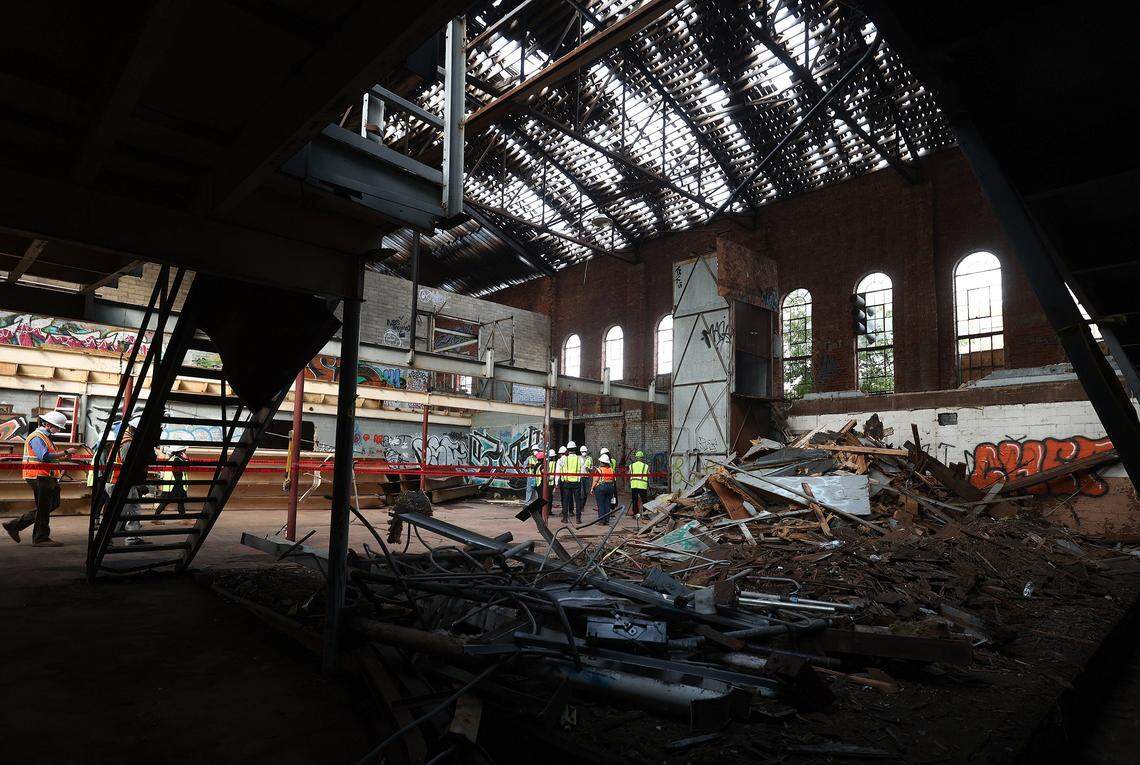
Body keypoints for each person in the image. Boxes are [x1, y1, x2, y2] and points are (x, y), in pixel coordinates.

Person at [3, 411, 75, 546]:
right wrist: (65, 452)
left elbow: (48, 456)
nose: (58, 430)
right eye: (57, 427)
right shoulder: (37, 437)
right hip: (38, 476)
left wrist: (62, 457)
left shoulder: (45, 437)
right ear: (48, 425)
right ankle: (40, 538)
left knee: (52, 504)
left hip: (46, 476)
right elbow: (43, 456)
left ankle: (15, 525)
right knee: (44, 507)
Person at [155, 445, 189, 517]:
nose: (185, 451)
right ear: (181, 451)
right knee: (166, 502)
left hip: (174, 484)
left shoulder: (175, 458)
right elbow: (178, 473)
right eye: (184, 450)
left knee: (180, 502)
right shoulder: (177, 460)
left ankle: (184, 518)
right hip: (175, 485)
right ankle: (155, 517)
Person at [557, 441, 582, 524]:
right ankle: (578, 519)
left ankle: (565, 518)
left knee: (566, 501)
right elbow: (581, 471)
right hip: (576, 483)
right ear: (575, 449)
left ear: (567, 449)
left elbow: (559, 469)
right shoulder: (579, 458)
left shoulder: (563, 458)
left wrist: (560, 480)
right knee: (578, 501)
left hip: (567, 482)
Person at [593, 453, 616, 525]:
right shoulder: (611, 470)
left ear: (601, 462)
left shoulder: (599, 469)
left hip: (601, 487)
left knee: (601, 504)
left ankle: (601, 521)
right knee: (607, 504)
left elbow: (595, 480)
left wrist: (592, 488)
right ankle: (607, 520)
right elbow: (613, 479)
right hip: (610, 487)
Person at [629, 450, 650, 518]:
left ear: (636, 458)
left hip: (634, 485)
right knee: (644, 501)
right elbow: (648, 474)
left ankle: (636, 515)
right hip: (642, 485)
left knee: (635, 500)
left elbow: (629, 473)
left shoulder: (631, 466)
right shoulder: (645, 466)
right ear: (642, 458)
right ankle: (645, 515)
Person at [578, 445, 593, 510]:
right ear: (581, 452)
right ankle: (580, 506)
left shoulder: (590, 458)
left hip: (587, 477)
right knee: (581, 492)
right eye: (583, 451)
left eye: (585, 451)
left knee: (586, 492)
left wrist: (589, 469)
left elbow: (592, 468)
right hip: (580, 477)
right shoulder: (578, 458)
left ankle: (583, 505)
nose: (584, 452)